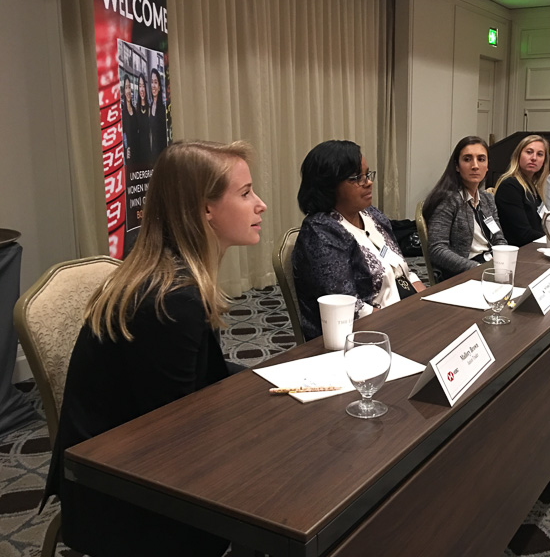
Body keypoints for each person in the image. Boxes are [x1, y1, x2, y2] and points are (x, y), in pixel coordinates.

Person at [43, 140, 266, 557]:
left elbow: (195, 390)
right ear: (205, 210)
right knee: (281, 489)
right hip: (121, 493)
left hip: (135, 459)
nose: (261, 205)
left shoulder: (175, 275)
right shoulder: (172, 298)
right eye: (246, 192)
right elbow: (177, 437)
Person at [293, 140, 424, 340]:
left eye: (368, 174)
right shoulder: (320, 233)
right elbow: (349, 308)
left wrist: (427, 304)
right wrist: (405, 326)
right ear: (328, 185)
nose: (368, 182)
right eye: (356, 178)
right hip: (364, 336)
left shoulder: (371, 215)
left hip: (402, 313)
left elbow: (402, 271)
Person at [422, 136, 507, 280]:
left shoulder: (487, 199)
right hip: (462, 273)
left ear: (487, 166)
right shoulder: (448, 200)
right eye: (467, 159)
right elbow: (437, 250)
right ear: (457, 166)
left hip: (490, 265)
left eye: (481, 159)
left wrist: (503, 260)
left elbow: (499, 239)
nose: (475, 166)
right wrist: (477, 269)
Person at [494, 134, 549, 247]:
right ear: (518, 155)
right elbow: (523, 234)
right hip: (517, 252)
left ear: (544, 161)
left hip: (533, 249)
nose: (534, 158)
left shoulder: (532, 187)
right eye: (529, 152)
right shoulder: (510, 186)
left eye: (539, 154)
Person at [148, 68, 168, 161]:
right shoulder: (150, 106)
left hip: (162, 155)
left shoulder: (162, 109)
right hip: (152, 155)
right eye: (152, 82)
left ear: (159, 87)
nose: (153, 85)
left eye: (156, 82)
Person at [120, 75, 141, 166]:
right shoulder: (122, 113)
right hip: (129, 154)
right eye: (126, 88)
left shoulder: (135, 111)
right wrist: (125, 149)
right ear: (124, 91)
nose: (128, 91)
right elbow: (122, 135)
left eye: (129, 87)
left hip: (137, 150)